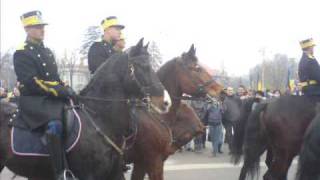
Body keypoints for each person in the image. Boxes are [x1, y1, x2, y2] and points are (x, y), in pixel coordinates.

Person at [13, 11, 77, 180]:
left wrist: (67, 88)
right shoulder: (21, 53)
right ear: (27, 29)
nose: (42, 30)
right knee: (54, 125)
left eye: (42, 26)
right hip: (33, 100)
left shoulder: (47, 52)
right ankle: (60, 172)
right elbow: (32, 82)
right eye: (37, 27)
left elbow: (54, 78)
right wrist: (60, 91)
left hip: (48, 98)